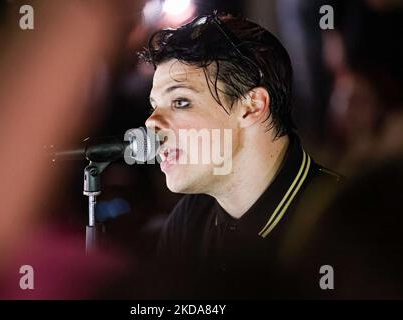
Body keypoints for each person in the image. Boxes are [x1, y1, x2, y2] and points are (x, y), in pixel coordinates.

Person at [139, 12, 342, 297]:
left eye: (180, 101)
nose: (151, 122)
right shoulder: (189, 220)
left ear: (252, 106)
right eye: (154, 105)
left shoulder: (343, 222)